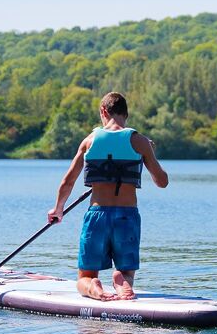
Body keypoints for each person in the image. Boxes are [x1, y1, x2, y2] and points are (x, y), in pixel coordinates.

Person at [48, 91, 168, 301]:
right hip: (127, 216)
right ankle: (122, 280)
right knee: (127, 269)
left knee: (84, 276)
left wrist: (58, 209)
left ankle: (93, 286)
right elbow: (162, 182)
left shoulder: (90, 141)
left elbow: (67, 181)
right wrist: (148, 152)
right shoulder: (139, 141)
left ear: (103, 111)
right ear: (126, 114)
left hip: (97, 215)